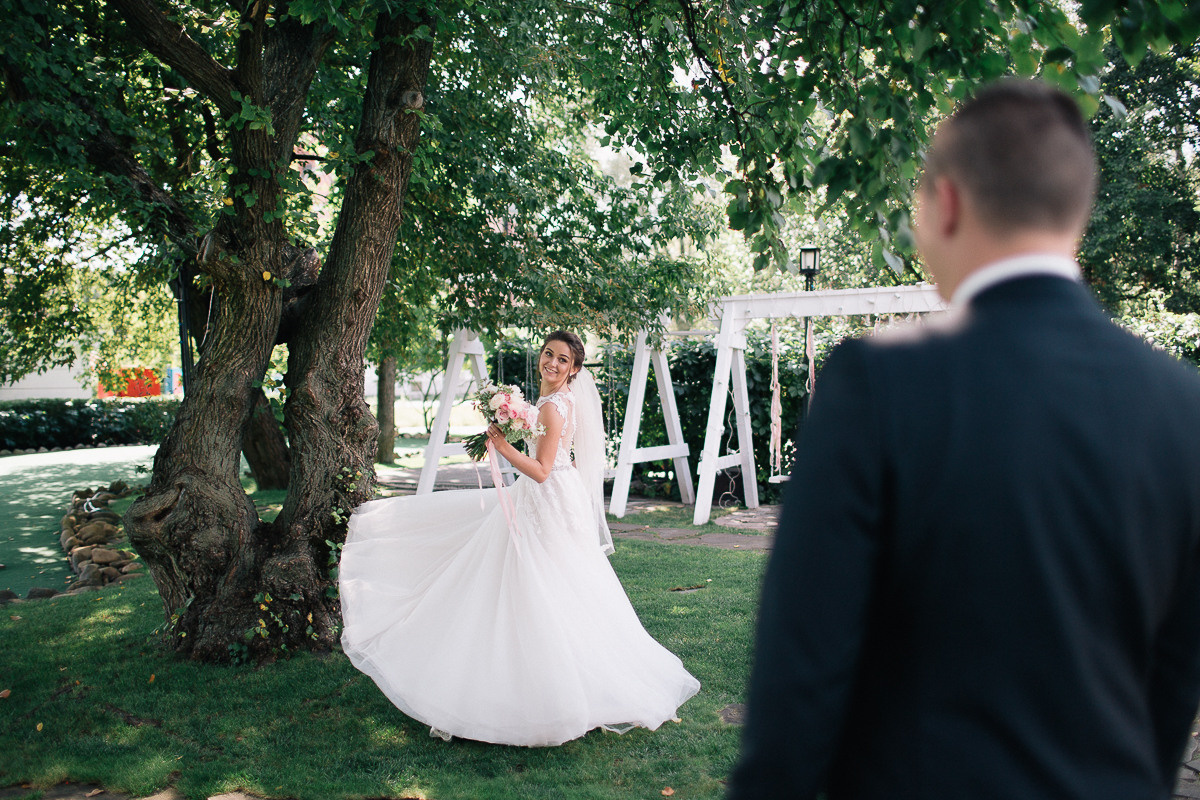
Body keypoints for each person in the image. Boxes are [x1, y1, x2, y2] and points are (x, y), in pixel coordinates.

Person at [728, 79, 1200, 799]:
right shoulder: (1185, 405)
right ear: (1076, 213)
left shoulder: (875, 386)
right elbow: (1175, 677)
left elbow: (801, 681)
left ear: (945, 203)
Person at [339, 330, 700, 747]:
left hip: (545, 499)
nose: (553, 362)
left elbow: (543, 469)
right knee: (555, 584)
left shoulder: (552, 407)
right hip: (548, 499)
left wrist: (502, 446)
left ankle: (544, 691)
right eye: (549, 354)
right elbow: (557, 460)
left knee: (538, 583)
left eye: (564, 359)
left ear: (575, 369)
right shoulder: (555, 403)